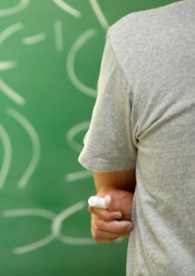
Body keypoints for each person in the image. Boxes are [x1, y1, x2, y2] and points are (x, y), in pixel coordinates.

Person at [78, 0, 195, 275]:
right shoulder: (133, 41)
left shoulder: (135, 39)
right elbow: (116, 198)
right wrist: (114, 208)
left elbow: (113, 193)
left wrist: (113, 207)